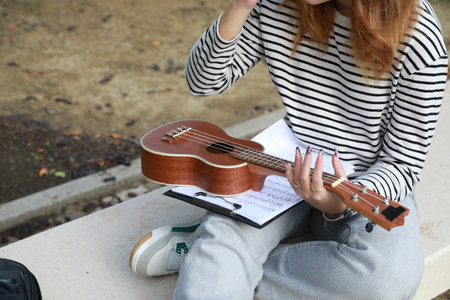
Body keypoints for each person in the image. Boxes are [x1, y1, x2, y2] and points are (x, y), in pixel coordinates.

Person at [130, 0, 448, 298]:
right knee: (223, 248)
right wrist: (241, 6)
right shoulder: (276, 5)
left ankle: (210, 258)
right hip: (280, 162)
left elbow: (402, 162)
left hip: (365, 181)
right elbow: (204, 82)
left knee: (389, 278)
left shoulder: (418, 37)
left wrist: (337, 204)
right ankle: (217, 256)